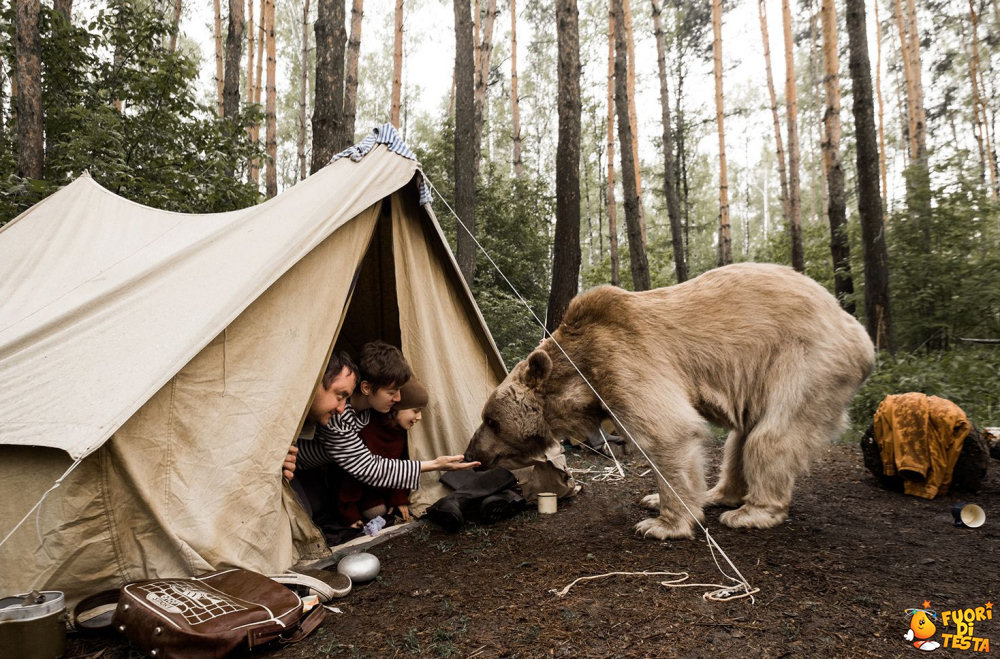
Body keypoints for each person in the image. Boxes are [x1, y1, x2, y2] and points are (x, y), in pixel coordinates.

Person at [287, 342, 478, 519]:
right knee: (305, 514)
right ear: (367, 388)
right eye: (392, 392)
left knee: (318, 506)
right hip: (297, 467)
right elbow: (369, 467)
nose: (398, 398)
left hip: (321, 467)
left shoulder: (369, 410)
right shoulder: (337, 417)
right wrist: (435, 464)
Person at [334, 377, 429, 527]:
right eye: (415, 411)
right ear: (397, 407)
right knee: (376, 511)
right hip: (358, 490)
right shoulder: (369, 429)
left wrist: (398, 498)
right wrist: (349, 513)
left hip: (382, 488)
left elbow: (400, 465)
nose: (419, 417)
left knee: (385, 511)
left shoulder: (400, 432)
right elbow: (350, 476)